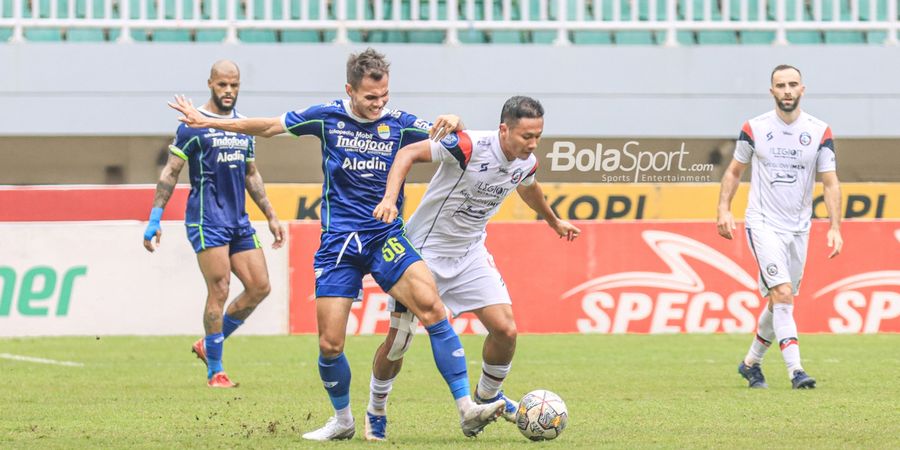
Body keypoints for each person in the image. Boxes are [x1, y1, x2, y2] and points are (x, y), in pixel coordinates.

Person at [167, 48, 506, 440]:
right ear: (350, 89)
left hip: (384, 237)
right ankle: (343, 420)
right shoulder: (326, 117)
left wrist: (456, 119)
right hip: (339, 245)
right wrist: (209, 121)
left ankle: (466, 408)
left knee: (432, 309)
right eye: (370, 97)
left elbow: (454, 137)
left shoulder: (398, 123)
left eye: (384, 96)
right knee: (330, 344)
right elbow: (270, 127)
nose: (379, 104)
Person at [365, 96, 581, 441]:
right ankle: (376, 409)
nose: (533, 143)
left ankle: (487, 397)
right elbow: (406, 154)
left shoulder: (526, 162)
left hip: (469, 255)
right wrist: (390, 199)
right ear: (504, 130)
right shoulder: (467, 146)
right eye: (526, 136)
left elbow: (529, 188)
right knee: (398, 344)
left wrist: (553, 221)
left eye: (538, 135)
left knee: (506, 330)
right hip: (423, 254)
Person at [143, 60, 285, 388]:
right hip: (207, 220)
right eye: (222, 85)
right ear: (210, 83)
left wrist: (271, 215)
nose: (228, 91)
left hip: (239, 221)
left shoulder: (244, 126)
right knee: (219, 289)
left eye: (234, 85)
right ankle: (215, 371)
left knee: (260, 286)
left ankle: (208, 343)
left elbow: (251, 173)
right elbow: (170, 172)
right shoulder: (194, 125)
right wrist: (155, 218)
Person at [716, 64, 843, 390]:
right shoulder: (755, 128)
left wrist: (834, 226)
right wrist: (724, 209)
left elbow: (830, 182)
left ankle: (750, 363)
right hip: (763, 222)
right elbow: (734, 171)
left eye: (792, 84)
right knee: (784, 293)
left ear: (803, 89)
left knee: (778, 300)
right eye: (780, 85)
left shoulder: (819, 131)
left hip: (800, 228)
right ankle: (796, 371)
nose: (787, 90)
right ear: (771, 91)